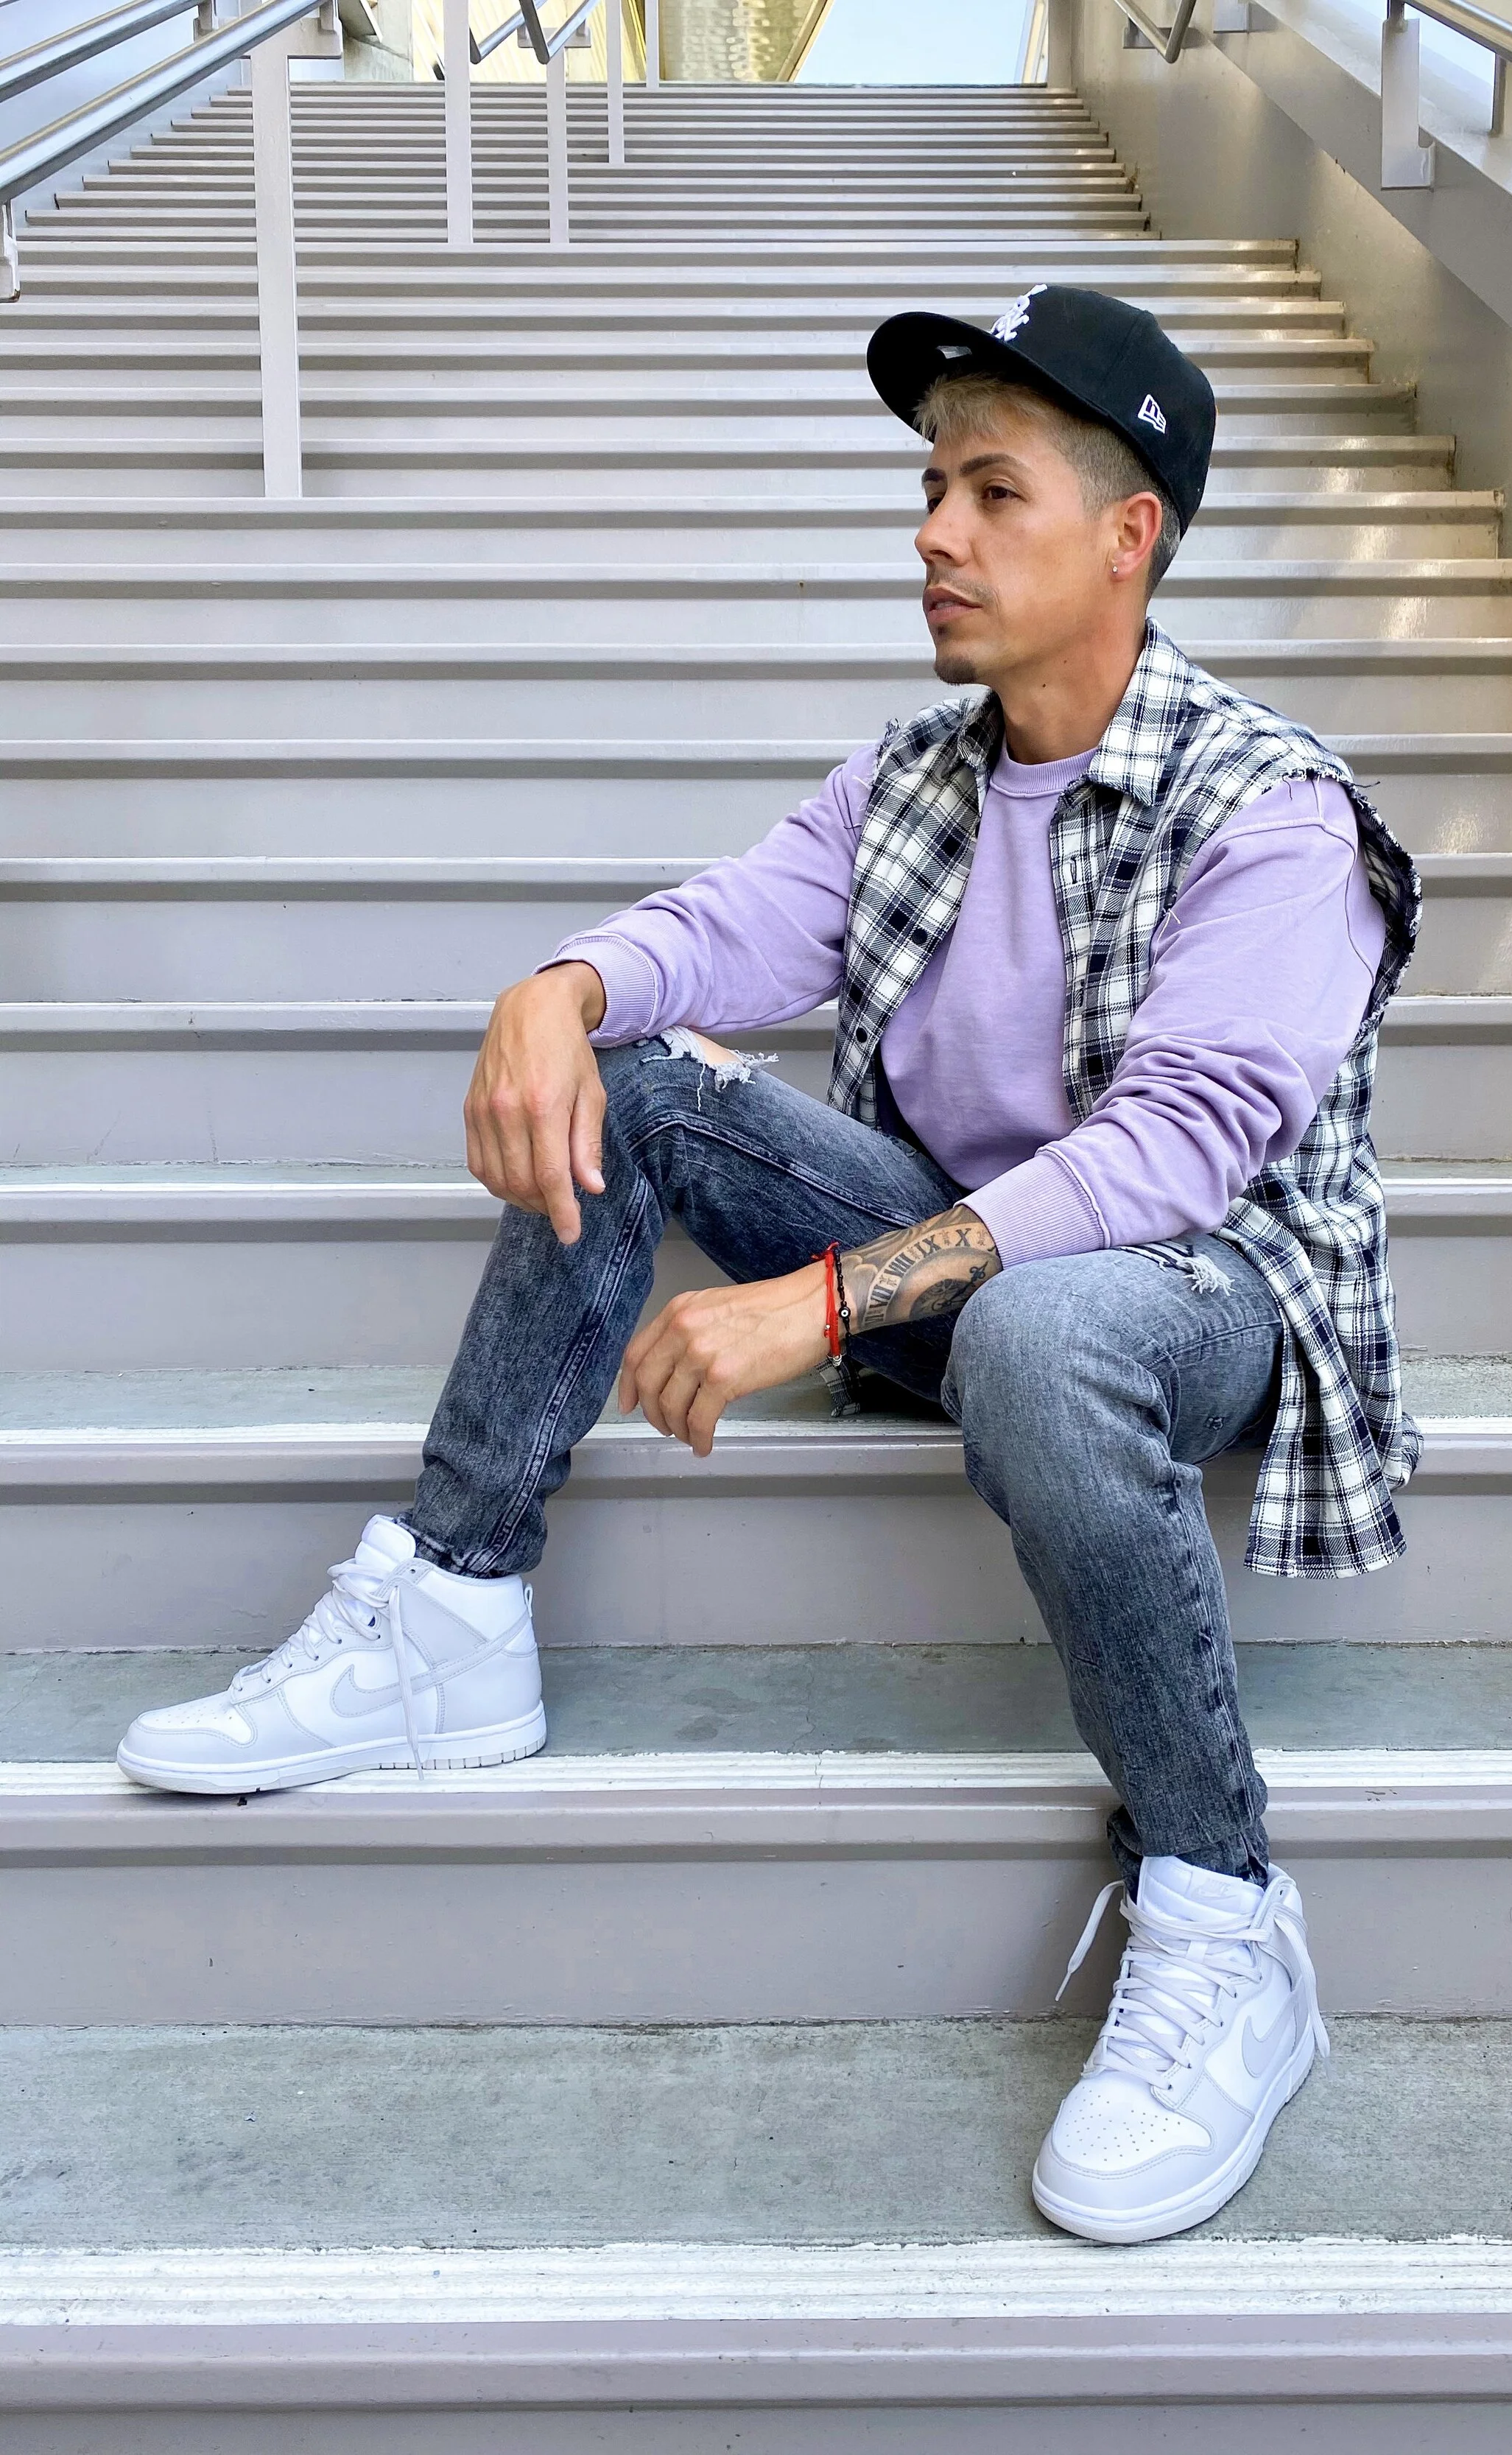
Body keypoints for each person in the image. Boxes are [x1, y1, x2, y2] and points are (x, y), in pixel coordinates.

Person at [117, 285, 1419, 2244]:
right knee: (633, 1075)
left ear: (1126, 531)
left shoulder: (1274, 809)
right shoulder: (913, 773)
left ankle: (1221, 1902)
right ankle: (452, 1614)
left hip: (1190, 1295)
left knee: (1050, 1332)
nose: (931, 534)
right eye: (927, 486)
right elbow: (728, 925)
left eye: (989, 492)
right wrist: (557, 984)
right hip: (952, 1283)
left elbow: (1165, 1163)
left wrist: (816, 1302)